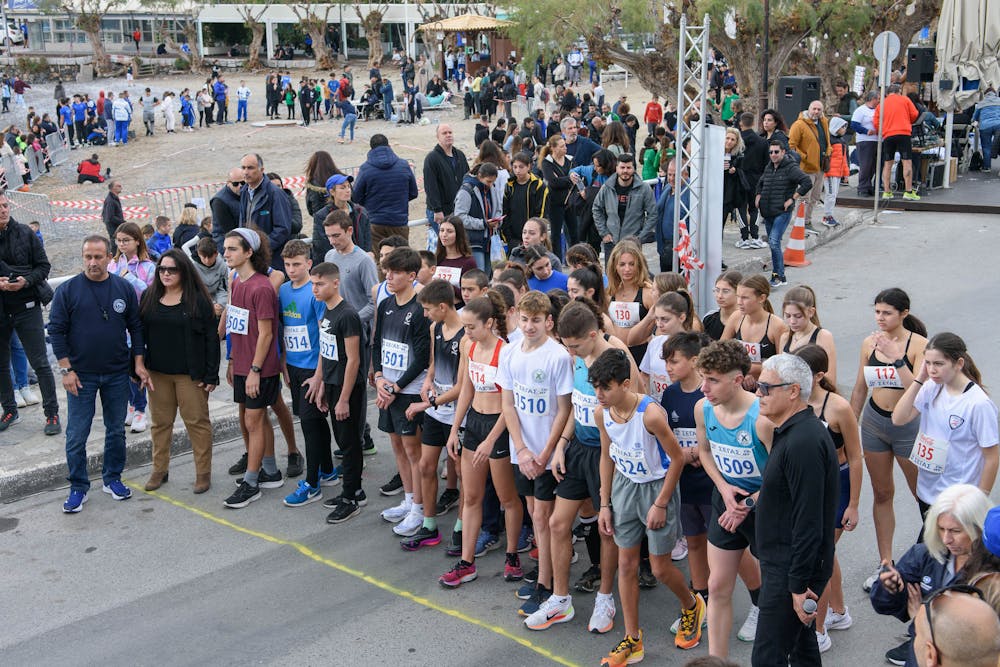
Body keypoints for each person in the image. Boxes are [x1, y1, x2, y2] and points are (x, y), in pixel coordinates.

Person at [593, 348, 706, 665]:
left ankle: (692, 605)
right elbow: (606, 456)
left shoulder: (651, 414)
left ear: (625, 384)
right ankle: (633, 639)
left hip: (657, 488)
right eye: (595, 387)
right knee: (626, 564)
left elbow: (678, 458)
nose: (599, 394)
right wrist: (605, 502)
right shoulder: (602, 413)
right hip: (624, 488)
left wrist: (661, 503)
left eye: (605, 387)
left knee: (659, 568)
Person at [544, 301, 635, 635]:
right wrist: (561, 444)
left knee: (605, 528)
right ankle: (560, 599)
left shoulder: (616, 358)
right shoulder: (577, 358)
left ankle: (605, 597)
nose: (570, 352)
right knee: (557, 523)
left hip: (606, 453)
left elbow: (636, 403)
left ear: (593, 335)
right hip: (579, 448)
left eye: (575, 346)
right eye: (566, 346)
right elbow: (576, 405)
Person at [49, 235, 151, 513]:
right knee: (76, 434)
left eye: (98, 256)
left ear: (109, 257)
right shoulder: (68, 291)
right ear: (82, 257)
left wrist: (138, 363)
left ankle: (112, 478)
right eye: (88, 257)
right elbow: (56, 331)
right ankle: (78, 486)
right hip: (80, 376)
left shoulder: (123, 288)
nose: (92, 262)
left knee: (116, 430)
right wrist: (66, 370)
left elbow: (136, 327)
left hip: (117, 373)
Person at [750, 353, 837, 667]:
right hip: (785, 563)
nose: (758, 393)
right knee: (802, 651)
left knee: (767, 658)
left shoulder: (803, 442)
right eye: (758, 386)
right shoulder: (792, 432)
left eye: (766, 387)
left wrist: (798, 585)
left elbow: (808, 519)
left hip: (790, 569)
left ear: (793, 391)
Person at [439, 291, 524, 587]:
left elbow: (510, 404)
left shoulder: (507, 352)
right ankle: (466, 563)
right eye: (464, 327)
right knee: (472, 496)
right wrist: (455, 428)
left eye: (471, 327)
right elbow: (466, 389)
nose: (467, 332)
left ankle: (512, 556)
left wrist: (491, 440)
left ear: (489, 323)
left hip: (498, 425)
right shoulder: (469, 346)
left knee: (507, 498)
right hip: (475, 423)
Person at [693, 340, 772, 658]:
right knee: (716, 586)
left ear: (737, 379)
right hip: (726, 502)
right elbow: (705, 452)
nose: (703, 388)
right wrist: (724, 489)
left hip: (765, 507)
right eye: (703, 378)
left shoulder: (762, 418)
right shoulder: (704, 409)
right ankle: (716, 662)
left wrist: (748, 504)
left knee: (778, 592)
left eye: (712, 380)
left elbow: (782, 476)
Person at [499, 290, 573, 616]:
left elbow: (564, 409)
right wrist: (521, 449)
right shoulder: (510, 352)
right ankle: (546, 572)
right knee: (533, 512)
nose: (529, 326)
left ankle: (547, 584)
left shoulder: (557, 356)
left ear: (549, 322)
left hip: (546, 453)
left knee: (543, 517)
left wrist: (544, 453)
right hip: (523, 453)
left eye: (536, 320)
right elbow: (508, 404)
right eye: (525, 320)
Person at [849, 288, 927, 593]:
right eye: (877, 312)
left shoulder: (919, 345)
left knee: (924, 497)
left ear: (904, 314)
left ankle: (929, 560)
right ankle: (885, 563)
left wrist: (897, 358)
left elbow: (918, 392)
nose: (880, 318)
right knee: (882, 493)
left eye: (887, 313)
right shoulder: (869, 343)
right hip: (874, 423)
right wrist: (848, 429)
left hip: (908, 427)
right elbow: (860, 388)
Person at [871, 484, 992, 667]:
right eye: (941, 529)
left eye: (955, 531)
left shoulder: (991, 575)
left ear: (979, 527)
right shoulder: (925, 555)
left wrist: (922, 619)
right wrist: (890, 588)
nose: (946, 539)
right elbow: (885, 605)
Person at [793, 344, 861, 653]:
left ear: (819, 376)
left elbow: (856, 457)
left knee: (818, 557)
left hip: (836, 486)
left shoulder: (838, 407)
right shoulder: (793, 400)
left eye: (802, 372)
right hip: (807, 487)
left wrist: (853, 505)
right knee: (826, 553)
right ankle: (839, 611)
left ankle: (819, 630)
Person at [392, 279, 466, 549]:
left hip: (457, 414)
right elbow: (433, 363)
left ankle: (462, 527)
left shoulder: (465, 336)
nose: (424, 314)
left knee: (462, 473)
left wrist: (425, 404)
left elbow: (461, 387)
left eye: (428, 309)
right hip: (437, 411)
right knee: (425, 466)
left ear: (443, 307)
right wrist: (427, 381)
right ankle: (429, 525)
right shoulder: (436, 328)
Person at [139, 249, 219, 494]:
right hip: (158, 374)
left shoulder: (198, 300)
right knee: (160, 424)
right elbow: (139, 334)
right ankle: (159, 470)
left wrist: (211, 374)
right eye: (162, 269)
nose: (166, 274)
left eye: (172, 270)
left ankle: (203, 473)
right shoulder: (149, 297)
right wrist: (138, 366)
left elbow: (211, 338)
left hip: (190, 375)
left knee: (197, 423)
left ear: (184, 271)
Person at [891, 332, 998, 511]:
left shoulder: (978, 404)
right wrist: (919, 379)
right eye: (928, 363)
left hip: (958, 500)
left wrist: (979, 500)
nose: (932, 370)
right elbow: (899, 418)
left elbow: (992, 457)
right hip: (926, 492)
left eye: (939, 364)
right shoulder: (932, 387)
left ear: (959, 363)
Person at [221, 228, 285, 508]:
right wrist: (233, 360)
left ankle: (251, 482)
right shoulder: (237, 283)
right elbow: (236, 326)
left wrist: (255, 370)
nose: (226, 253)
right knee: (256, 420)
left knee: (253, 421)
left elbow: (266, 334)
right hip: (242, 364)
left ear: (249, 252)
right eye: (226, 248)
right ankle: (270, 471)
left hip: (259, 368)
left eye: (232, 249)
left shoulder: (261, 287)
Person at [372, 247, 431, 536]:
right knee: (396, 445)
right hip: (388, 387)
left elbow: (421, 358)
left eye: (395, 272)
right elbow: (377, 344)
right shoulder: (385, 304)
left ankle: (419, 508)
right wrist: (379, 378)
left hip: (409, 390)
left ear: (411, 276)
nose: (389, 276)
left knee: (412, 450)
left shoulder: (420, 310)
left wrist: (396, 387)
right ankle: (408, 499)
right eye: (387, 271)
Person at [276, 240, 339, 509]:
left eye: (297, 264)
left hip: (313, 368)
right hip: (293, 366)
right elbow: (284, 329)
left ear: (309, 264)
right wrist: (283, 364)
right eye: (287, 265)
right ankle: (328, 470)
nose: (291, 269)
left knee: (310, 426)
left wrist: (319, 375)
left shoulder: (314, 294)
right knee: (312, 421)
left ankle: (312, 483)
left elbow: (325, 335)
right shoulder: (282, 290)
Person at [0, 192, 59, 435]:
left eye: (5, 205)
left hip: (26, 305)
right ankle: (9, 410)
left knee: (40, 363)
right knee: (1, 364)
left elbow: (44, 267)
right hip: (1, 309)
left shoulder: (25, 232)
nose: (3, 210)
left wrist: (25, 281)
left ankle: (52, 414)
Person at [110, 222, 157, 434]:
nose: (122, 244)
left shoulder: (148, 267)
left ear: (137, 241)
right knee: (123, 368)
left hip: (139, 322)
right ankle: (131, 404)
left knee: (137, 365)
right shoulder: (113, 264)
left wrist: (129, 277)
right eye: (119, 240)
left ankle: (140, 408)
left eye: (126, 240)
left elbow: (150, 293)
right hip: (117, 323)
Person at [754, 141, 812, 288]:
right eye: (771, 152)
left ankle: (778, 275)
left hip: (782, 212)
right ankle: (781, 274)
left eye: (776, 152)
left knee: (774, 242)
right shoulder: (769, 166)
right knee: (773, 244)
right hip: (767, 212)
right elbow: (761, 182)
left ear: (783, 152)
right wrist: (758, 195)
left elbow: (807, 182)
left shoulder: (791, 168)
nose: (773, 155)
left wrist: (793, 198)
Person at [352, 134, 419, 246]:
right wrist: (399, 200)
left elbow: (355, 196)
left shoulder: (366, 169)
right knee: (402, 255)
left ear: (371, 149)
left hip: (375, 221)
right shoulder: (403, 165)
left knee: (379, 255)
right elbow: (413, 193)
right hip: (399, 221)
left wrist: (369, 204)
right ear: (389, 146)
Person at [721, 275, 788, 380]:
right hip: (738, 380)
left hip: (766, 383)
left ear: (762, 298)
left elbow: (781, 367)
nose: (739, 302)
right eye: (738, 296)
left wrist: (747, 369)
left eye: (745, 298)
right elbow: (720, 351)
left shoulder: (777, 326)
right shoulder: (736, 317)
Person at [593, 153, 657, 262]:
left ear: (633, 169)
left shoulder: (644, 189)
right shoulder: (607, 187)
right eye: (622, 167)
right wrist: (604, 233)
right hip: (611, 242)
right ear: (617, 168)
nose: (625, 171)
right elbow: (596, 208)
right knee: (611, 272)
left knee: (631, 271)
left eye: (628, 167)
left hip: (633, 243)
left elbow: (653, 214)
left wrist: (641, 237)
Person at [606, 240, 656, 366]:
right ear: (615, 266)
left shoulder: (648, 293)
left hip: (641, 353)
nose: (627, 269)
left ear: (639, 265)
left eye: (632, 264)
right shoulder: (610, 293)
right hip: (615, 354)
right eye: (622, 264)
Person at [239, 153, 292, 271]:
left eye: (250, 168)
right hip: (251, 257)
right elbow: (243, 223)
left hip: (272, 259)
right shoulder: (244, 192)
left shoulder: (275, 193)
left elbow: (282, 229)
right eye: (243, 168)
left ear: (262, 170)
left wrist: (261, 248)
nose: (246, 172)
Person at [777, 285, 838, 385]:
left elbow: (830, 379)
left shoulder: (823, 336)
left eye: (798, 316)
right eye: (787, 316)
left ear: (811, 312)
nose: (792, 321)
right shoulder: (785, 338)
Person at [788, 101, 831, 230]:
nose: (816, 112)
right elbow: (791, 145)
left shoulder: (824, 122)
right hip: (806, 167)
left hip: (820, 166)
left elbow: (827, 141)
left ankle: (807, 221)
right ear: (809, 109)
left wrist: (829, 151)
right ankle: (799, 223)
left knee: (815, 197)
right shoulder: (799, 125)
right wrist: (805, 157)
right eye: (814, 109)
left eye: (819, 109)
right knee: (804, 197)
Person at [874, 85, 921, 201]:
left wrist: (883, 130)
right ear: (899, 91)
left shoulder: (881, 104)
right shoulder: (905, 100)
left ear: (887, 93)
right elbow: (915, 114)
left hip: (888, 135)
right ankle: (908, 192)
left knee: (887, 163)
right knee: (907, 162)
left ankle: (887, 192)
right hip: (904, 133)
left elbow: (876, 122)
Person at [454, 162, 501, 273]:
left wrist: (497, 221)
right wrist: (483, 224)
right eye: (488, 181)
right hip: (473, 242)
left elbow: (498, 209)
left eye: (493, 182)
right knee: (479, 274)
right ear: (480, 176)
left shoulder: (491, 188)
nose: (490, 185)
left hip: (490, 241)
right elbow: (460, 217)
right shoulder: (466, 191)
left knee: (488, 274)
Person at [538, 135, 576, 260]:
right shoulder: (547, 162)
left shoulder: (570, 160)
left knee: (574, 233)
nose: (565, 148)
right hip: (554, 203)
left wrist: (562, 179)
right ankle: (557, 260)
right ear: (553, 148)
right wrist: (568, 179)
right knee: (556, 234)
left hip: (570, 201)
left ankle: (575, 259)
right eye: (561, 146)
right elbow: (553, 182)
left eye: (565, 145)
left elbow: (577, 178)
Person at [502, 151, 548, 247]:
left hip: (533, 237)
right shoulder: (509, 186)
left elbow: (541, 213)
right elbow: (505, 212)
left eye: (521, 167)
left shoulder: (538, 185)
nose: (517, 170)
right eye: (515, 167)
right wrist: (508, 236)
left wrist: (533, 234)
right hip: (513, 238)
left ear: (529, 166)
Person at [851, 92, 880, 197]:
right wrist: (866, 131)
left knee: (874, 165)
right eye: (878, 99)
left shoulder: (878, 110)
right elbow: (854, 125)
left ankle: (870, 186)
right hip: (865, 140)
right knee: (866, 165)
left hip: (877, 140)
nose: (879, 101)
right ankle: (863, 187)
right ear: (873, 99)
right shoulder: (860, 110)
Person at [822, 117, 850, 227]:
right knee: (830, 195)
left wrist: (846, 174)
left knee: (833, 195)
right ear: (836, 127)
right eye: (843, 127)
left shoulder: (842, 141)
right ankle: (827, 216)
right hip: (829, 173)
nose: (844, 129)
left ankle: (829, 215)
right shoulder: (829, 140)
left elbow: (844, 159)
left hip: (837, 173)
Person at [210, 167, 243, 252]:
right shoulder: (219, 201)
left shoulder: (245, 193)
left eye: (243, 183)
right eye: (236, 184)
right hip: (225, 242)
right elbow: (229, 230)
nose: (240, 186)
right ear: (228, 183)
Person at [703, 271, 742, 341]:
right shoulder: (709, 318)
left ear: (738, 292)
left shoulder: (746, 321)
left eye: (725, 291)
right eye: (717, 290)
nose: (719, 296)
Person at [971, 89, 1000, 173]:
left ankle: (987, 167)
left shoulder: (981, 103)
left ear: (985, 94)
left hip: (985, 126)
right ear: (995, 94)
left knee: (986, 147)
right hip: (998, 124)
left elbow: (974, 118)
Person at [102, 180, 125, 255]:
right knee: (115, 245)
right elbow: (110, 217)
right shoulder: (111, 200)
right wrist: (123, 222)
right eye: (118, 186)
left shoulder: (114, 198)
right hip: (113, 227)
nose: (121, 187)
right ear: (112, 188)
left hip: (116, 226)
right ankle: (115, 258)